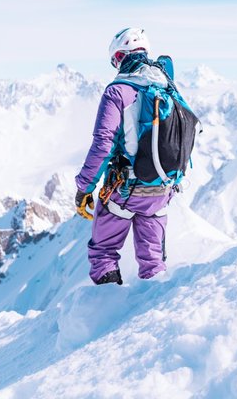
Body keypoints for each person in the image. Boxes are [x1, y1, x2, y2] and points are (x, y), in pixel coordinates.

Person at [74, 27, 179, 285]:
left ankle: (102, 313)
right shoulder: (168, 86)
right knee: (153, 261)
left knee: (103, 253)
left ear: (121, 56)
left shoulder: (117, 91)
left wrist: (84, 188)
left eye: (115, 60)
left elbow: (103, 144)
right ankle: (150, 312)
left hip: (125, 191)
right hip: (162, 189)